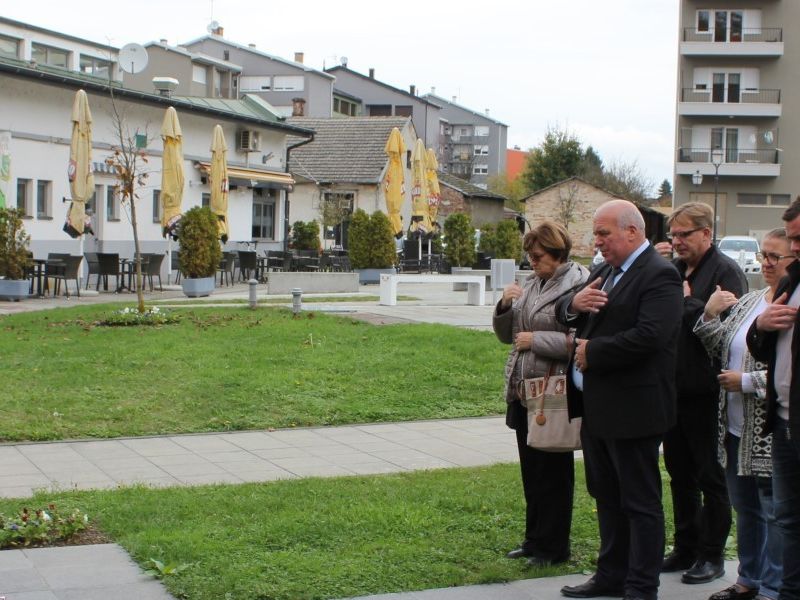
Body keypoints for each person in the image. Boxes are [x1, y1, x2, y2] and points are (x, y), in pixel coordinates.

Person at [556, 199, 683, 600]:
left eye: (603, 233)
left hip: (634, 410)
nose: (597, 241)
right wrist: (572, 305)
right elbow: (566, 311)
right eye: (596, 234)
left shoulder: (660, 274)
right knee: (607, 497)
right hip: (597, 406)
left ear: (632, 231)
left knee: (640, 502)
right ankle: (611, 574)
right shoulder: (605, 271)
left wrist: (594, 352)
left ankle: (641, 585)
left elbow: (651, 336)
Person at [694, 228, 792, 600]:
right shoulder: (752, 300)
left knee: (774, 511)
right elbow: (719, 345)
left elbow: (791, 373)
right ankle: (749, 579)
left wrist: (747, 381)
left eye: (775, 257)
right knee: (746, 508)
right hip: (735, 428)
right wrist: (709, 314)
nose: (766, 263)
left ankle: (774, 586)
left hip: (770, 430)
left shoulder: (791, 306)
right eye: (764, 255)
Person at [654, 202, 747, 585]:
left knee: (711, 475)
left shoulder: (725, 271)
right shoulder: (675, 270)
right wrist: (687, 301)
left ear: (706, 233)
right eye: (673, 235)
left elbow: (728, 329)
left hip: (708, 392)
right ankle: (686, 547)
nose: (677, 241)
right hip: (674, 388)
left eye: (685, 234)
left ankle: (712, 555)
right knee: (679, 474)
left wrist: (687, 302)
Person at [493, 221, 589, 567]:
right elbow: (508, 336)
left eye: (537, 256)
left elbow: (581, 341)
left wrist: (537, 340)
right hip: (525, 389)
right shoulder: (534, 282)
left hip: (554, 392)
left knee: (553, 473)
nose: (531, 262)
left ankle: (554, 547)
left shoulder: (579, 284)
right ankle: (534, 540)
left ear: (557, 254)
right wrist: (504, 306)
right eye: (529, 257)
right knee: (532, 471)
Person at [748, 198, 800, 600]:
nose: (794, 247)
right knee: (787, 518)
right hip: (782, 421)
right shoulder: (791, 280)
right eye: (792, 239)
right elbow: (762, 347)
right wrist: (762, 326)